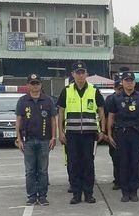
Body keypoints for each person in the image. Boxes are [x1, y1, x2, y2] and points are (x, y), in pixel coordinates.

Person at [57, 61, 106, 204]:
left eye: (82, 72)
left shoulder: (94, 90)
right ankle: (76, 194)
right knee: (73, 164)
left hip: (89, 135)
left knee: (88, 164)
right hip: (71, 135)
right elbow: (61, 112)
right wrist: (60, 132)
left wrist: (102, 130)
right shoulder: (66, 90)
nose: (80, 75)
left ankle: (89, 193)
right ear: (72, 74)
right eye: (77, 73)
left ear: (87, 74)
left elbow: (101, 110)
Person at [107, 71, 139, 202]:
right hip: (121, 134)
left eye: (131, 80)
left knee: (135, 163)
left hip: (137, 134)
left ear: (134, 82)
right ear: (122, 82)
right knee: (123, 163)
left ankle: (134, 191)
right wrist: (109, 134)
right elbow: (110, 116)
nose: (129, 83)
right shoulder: (115, 98)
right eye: (127, 80)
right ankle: (125, 192)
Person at [15, 73, 57, 206]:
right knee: (30, 171)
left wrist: (53, 137)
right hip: (28, 141)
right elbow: (18, 120)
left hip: (45, 140)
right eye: (32, 84)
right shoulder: (22, 101)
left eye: (37, 83)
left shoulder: (48, 100)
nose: (35, 86)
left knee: (43, 170)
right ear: (28, 85)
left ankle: (43, 196)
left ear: (41, 85)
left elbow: (53, 120)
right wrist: (19, 139)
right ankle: (32, 196)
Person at [105, 78, 123, 191]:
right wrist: (107, 133)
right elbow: (106, 117)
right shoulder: (110, 99)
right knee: (116, 158)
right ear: (115, 88)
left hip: (126, 131)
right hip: (114, 131)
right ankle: (117, 180)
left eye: (122, 88)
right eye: (118, 88)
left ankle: (126, 179)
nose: (120, 90)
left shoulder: (131, 98)